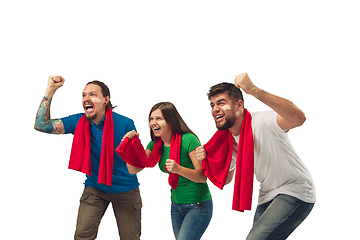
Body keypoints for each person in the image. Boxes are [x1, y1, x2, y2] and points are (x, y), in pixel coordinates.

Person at [195, 73, 316, 240]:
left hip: (295, 190)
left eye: (221, 103)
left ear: (239, 106)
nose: (215, 108)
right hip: (267, 194)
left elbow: (298, 118)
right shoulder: (227, 140)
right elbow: (228, 178)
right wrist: (208, 158)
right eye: (212, 104)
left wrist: (253, 90)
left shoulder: (262, 121)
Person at [34, 76, 142, 240]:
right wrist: (50, 90)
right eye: (84, 95)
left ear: (106, 99)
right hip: (95, 187)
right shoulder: (78, 121)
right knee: (82, 235)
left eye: (92, 94)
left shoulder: (125, 124)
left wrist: (130, 146)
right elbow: (41, 125)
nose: (86, 99)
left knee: (130, 237)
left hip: (125, 189)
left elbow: (138, 163)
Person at [118, 102, 212, 240]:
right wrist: (127, 147)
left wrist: (178, 169)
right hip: (176, 206)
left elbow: (202, 177)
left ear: (171, 121)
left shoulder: (188, 140)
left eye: (158, 118)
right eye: (151, 119)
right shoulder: (155, 144)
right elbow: (133, 169)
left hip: (198, 205)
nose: (153, 122)